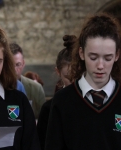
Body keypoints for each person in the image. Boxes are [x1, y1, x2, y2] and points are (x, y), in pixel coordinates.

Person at [45, 13, 121, 150]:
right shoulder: (62, 101)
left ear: (117, 55)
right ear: (81, 53)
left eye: (108, 58)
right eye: (93, 57)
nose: (100, 65)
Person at [37, 35, 77, 150]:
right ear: (58, 72)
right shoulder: (49, 109)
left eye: (78, 77)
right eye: (68, 77)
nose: (74, 82)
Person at [9, 43, 46, 119]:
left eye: (18, 64)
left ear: (23, 64)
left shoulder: (36, 88)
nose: (14, 70)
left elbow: (44, 120)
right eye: (10, 65)